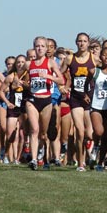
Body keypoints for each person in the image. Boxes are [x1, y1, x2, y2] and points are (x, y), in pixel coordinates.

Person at [25, 37, 64, 170]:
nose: (40, 48)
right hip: (32, 100)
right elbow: (22, 80)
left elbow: (61, 80)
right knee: (34, 129)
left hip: (46, 100)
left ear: (46, 48)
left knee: (44, 133)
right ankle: (34, 159)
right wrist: (22, 84)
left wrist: (48, 76)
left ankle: (43, 154)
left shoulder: (51, 63)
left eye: (42, 46)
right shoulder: (28, 64)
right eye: (37, 46)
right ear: (34, 47)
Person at [62, 33, 96, 171]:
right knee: (80, 132)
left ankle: (92, 150)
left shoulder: (94, 59)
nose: (82, 44)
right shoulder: (71, 59)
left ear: (88, 43)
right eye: (79, 41)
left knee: (90, 134)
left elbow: (103, 73)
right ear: (76, 43)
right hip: (76, 99)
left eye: (84, 41)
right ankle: (81, 164)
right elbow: (59, 73)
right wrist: (63, 86)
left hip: (90, 99)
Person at [0, 54, 28, 164]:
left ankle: (17, 158)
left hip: (24, 107)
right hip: (13, 107)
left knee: (22, 134)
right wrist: (7, 102)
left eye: (22, 62)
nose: (20, 64)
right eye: (18, 62)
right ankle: (5, 154)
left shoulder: (28, 75)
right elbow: (1, 91)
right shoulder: (11, 76)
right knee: (10, 134)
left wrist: (25, 85)